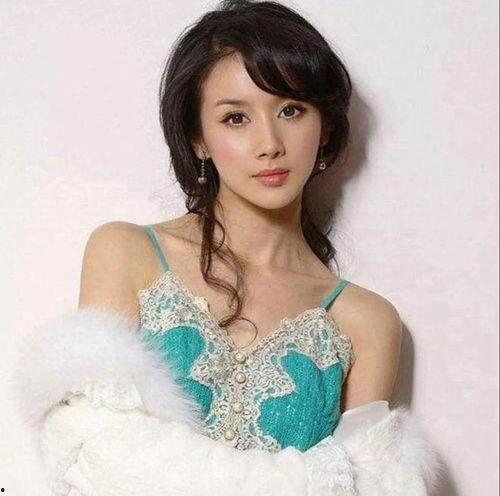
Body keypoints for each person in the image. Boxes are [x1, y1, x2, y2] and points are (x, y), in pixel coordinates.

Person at [12, 1, 443, 494]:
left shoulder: (367, 321)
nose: (269, 143)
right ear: (197, 138)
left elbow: (372, 488)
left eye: (291, 110)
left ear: (324, 126)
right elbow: (93, 453)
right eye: (236, 118)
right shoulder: (126, 252)